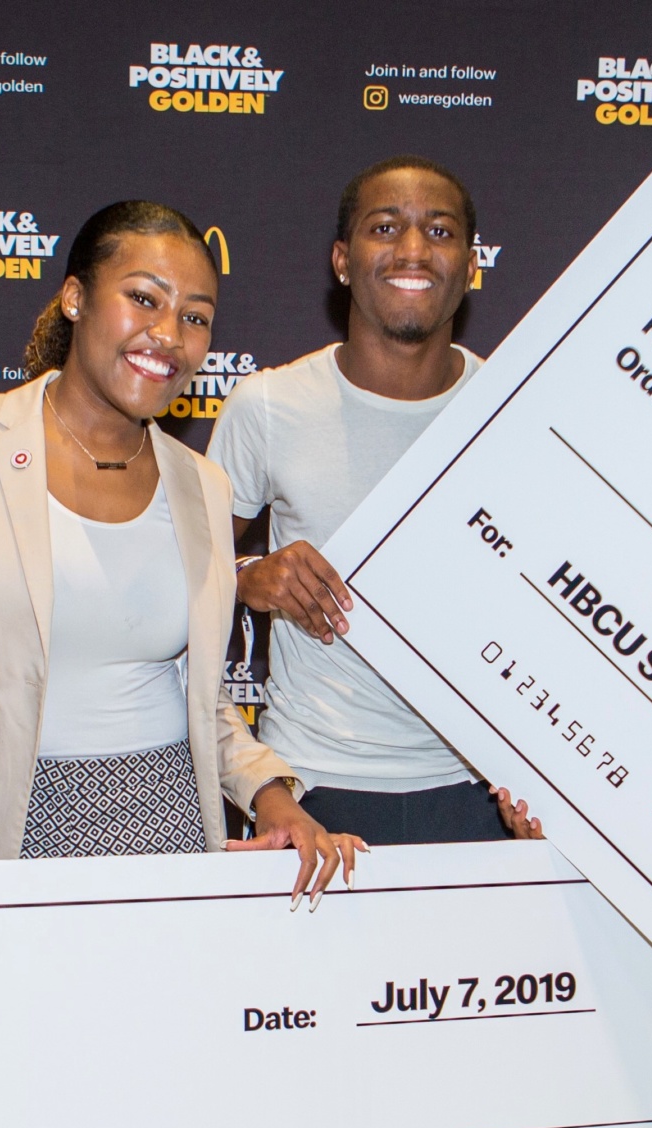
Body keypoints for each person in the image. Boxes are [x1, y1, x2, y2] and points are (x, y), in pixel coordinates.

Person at [0, 202, 362, 936]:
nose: (168, 334)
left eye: (196, 317)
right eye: (144, 298)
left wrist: (271, 795)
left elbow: (201, 697)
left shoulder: (202, 485)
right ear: (75, 297)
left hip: (168, 822)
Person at [210, 155, 543, 845]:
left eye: (440, 231)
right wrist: (248, 576)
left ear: (470, 265)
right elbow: (184, 574)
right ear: (342, 260)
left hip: (482, 791)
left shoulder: (514, 410)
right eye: (385, 227)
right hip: (312, 788)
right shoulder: (268, 405)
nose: (413, 249)